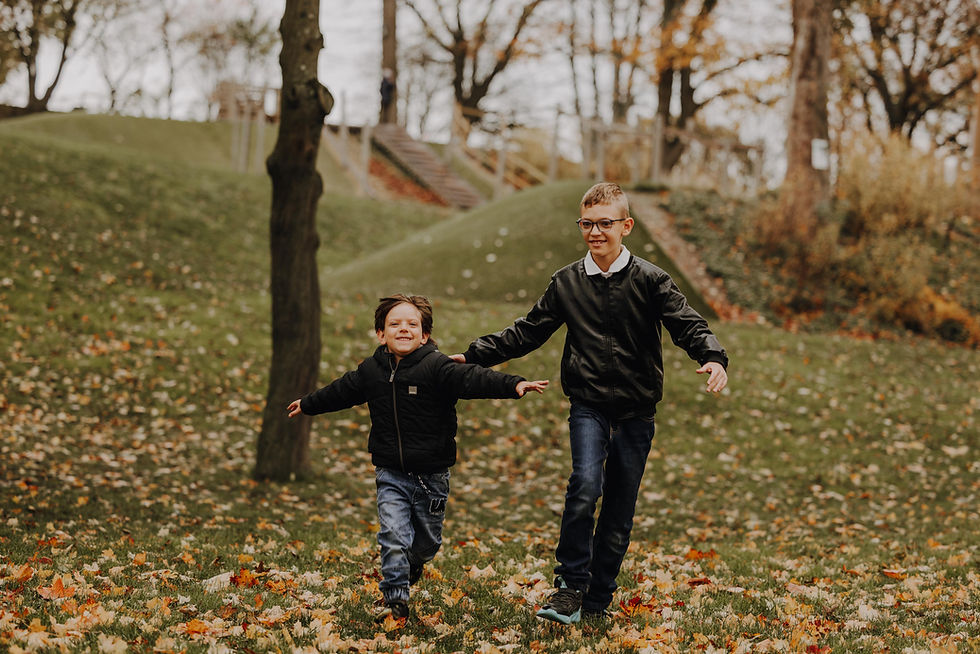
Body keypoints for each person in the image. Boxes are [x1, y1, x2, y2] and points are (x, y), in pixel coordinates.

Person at [451, 182, 728, 625]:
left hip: (637, 410)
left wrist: (713, 357)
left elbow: (686, 323)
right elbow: (528, 331)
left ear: (626, 226)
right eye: (587, 224)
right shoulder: (566, 282)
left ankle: (597, 601)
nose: (595, 232)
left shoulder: (651, 279)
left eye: (605, 224)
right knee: (584, 485)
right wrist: (474, 354)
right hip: (589, 404)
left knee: (619, 507)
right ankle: (568, 587)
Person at [287, 294, 548, 623]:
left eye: (412, 324)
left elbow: (474, 379)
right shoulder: (371, 371)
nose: (404, 329)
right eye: (394, 324)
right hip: (390, 473)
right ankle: (395, 597)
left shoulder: (437, 367)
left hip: (432, 476)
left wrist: (514, 385)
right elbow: (340, 391)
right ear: (381, 334)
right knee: (393, 535)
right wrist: (308, 404)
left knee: (425, 545)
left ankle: (412, 566)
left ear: (425, 334)